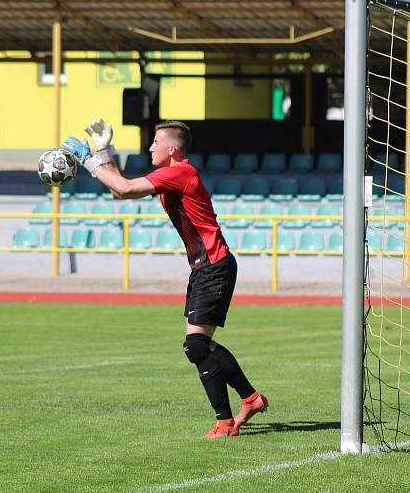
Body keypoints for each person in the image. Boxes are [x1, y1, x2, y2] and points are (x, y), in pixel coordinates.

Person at [62, 118, 268, 439]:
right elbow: (121, 192)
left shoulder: (180, 172)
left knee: (196, 345)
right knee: (198, 346)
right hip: (206, 267)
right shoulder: (171, 173)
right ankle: (250, 400)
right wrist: (104, 150)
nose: (150, 147)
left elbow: (125, 188)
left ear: (171, 149)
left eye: (155, 143)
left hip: (214, 265)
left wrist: (87, 159)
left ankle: (227, 422)